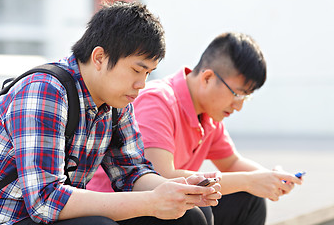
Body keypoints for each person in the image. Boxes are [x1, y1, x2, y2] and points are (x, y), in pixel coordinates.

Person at [0, 1, 221, 225]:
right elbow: (44, 202)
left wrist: (179, 189)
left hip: (48, 215)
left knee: (188, 216)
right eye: (137, 70)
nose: (142, 84)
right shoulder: (44, 90)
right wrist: (152, 202)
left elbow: (132, 173)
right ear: (100, 57)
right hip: (3, 219)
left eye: (148, 73)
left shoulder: (116, 101)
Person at [88, 32, 303, 225]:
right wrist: (250, 181)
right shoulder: (157, 100)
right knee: (196, 211)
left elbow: (232, 162)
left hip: (165, 206)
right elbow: (162, 177)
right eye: (237, 93)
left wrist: (269, 178)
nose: (239, 104)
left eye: (247, 97)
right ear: (208, 78)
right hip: (120, 209)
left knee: (248, 200)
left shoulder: (209, 116)